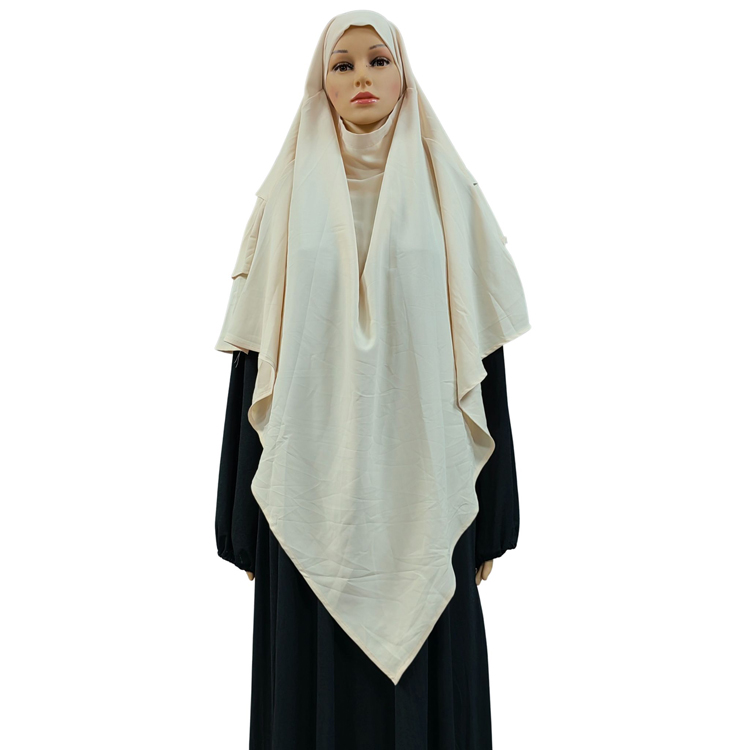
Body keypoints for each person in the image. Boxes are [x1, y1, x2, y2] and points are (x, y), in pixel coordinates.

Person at [214, 10, 531, 749]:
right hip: (308, 490)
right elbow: (255, 359)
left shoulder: (449, 193)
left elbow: (480, 353)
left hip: (428, 489)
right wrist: (242, 519)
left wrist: (493, 511)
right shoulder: (285, 200)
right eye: (343, 63)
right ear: (321, 82)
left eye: (378, 60)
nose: (362, 76)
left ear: (403, 75)